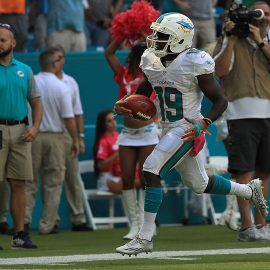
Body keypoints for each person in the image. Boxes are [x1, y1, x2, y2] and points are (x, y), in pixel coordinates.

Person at [114, 12, 268, 256]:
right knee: (199, 183)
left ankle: (144, 238)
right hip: (168, 128)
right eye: (155, 34)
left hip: (187, 128)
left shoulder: (195, 61)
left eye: (162, 36)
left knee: (151, 169)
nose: (155, 39)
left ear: (179, 40)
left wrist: (203, 124)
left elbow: (220, 101)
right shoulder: (150, 58)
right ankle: (249, 190)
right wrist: (127, 102)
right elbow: (145, 91)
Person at [214, 1, 270, 241]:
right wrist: (231, 40)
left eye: (266, 14)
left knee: (264, 173)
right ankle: (247, 227)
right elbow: (219, 70)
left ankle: (261, 224)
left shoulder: (266, 40)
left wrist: (260, 41)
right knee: (244, 173)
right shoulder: (230, 38)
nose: (262, 17)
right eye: (258, 13)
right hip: (239, 114)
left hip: (267, 113)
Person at [105, 39, 160, 240]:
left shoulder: (152, 75)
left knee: (145, 177)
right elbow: (108, 52)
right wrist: (121, 33)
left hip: (147, 132)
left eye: (143, 57)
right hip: (127, 133)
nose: (140, 61)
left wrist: (145, 37)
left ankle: (148, 224)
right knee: (127, 178)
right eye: (137, 57)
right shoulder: (123, 75)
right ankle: (134, 224)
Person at [24, 47, 79, 234]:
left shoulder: (32, 83)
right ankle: (47, 224)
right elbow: (69, 118)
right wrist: (75, 139)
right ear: (54, 63)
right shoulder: (62, 87)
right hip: (55, 137)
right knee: (53, 182)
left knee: (28, 181)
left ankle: (23, 221)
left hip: (32, 135)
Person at [0, 23, 42, 248]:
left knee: (19, 183)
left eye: (3, 40)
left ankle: (19, 234)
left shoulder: (25, 70)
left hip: (20, 131)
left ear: (13, 43)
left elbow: (36, 102)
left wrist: (35, 127)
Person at [53, 45, 90, 231]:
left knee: (72, 177)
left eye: (61, 57)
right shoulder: (41, 81)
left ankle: (78, 218)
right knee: (51, 179)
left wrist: (80, 137)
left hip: (68, 134)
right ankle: (52, 220)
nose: (58, 61)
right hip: (50, 133)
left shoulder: (70, 82)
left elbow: (78, 112)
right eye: (55, 57)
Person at [93, 110, 123, 194]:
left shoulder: (118, 135)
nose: (113, 123)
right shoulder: (103, 141)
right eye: (109, 121)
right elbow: (100, 165)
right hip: (107, 178)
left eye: (114, 119)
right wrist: (117, 154)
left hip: (119, 176)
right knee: (130, 185)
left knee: (135, 181)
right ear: (103, 124)